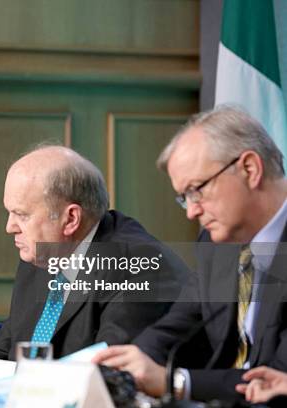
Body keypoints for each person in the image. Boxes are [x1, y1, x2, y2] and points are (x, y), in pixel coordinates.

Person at [93, 106, 287, 402]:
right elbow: (177, 325)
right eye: (185, 198)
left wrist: (176, 382)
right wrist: (125, 365)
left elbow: (276, 378)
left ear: (249, 169)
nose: (192, 212)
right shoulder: (215, 243)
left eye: (197, 190)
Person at [0, 145, 186, 367]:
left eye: (22, 215)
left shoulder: (136, 264)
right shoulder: (41, 256)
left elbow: (105, 373)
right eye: (9, 213)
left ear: (71, 218)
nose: (9, 227)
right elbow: (6, 349)